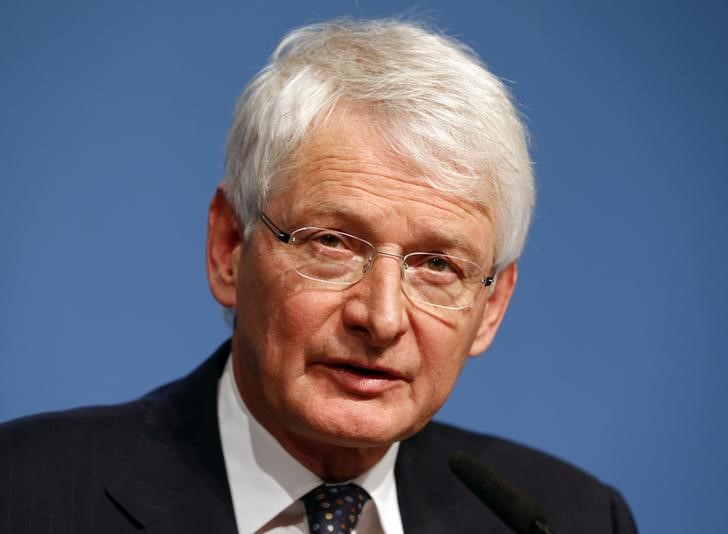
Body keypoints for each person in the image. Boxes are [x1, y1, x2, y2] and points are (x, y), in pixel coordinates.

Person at [0, 18, 637, 534]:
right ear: (229, 248)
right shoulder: (27, 495)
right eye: (332, 242)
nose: (382, 318)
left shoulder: (571, 519)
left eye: (438, 265)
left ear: (491, 310)